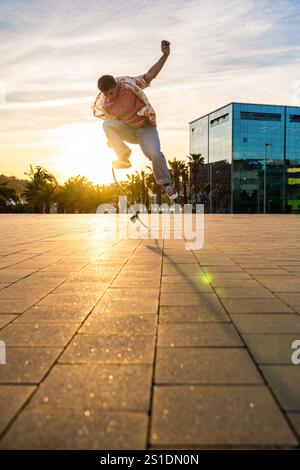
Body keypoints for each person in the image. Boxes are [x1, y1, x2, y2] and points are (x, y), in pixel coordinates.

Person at [92, 40, 178, 200]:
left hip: (145, 129)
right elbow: (111, 125)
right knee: (106, 124)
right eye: (107, 94)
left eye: (112, 92)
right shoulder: (105, 103)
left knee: (155, 154)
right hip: (129, 131)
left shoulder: (129, 86)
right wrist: (112, 140)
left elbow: (150, 74)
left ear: (116, 85)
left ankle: (166, 184)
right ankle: (124, 158)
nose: (110, 96)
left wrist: (164, 56)